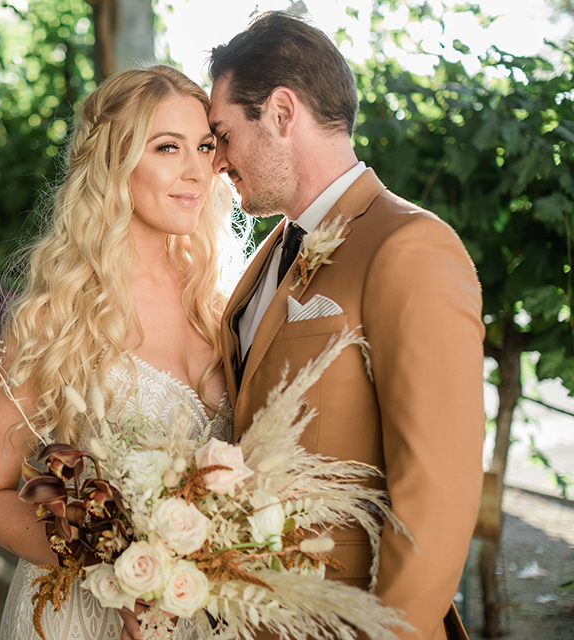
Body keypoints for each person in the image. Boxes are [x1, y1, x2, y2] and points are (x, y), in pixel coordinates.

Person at [207, 11, 485, 640]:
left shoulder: (410, 247)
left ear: (281, 112)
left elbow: (436, 494)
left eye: (223, 134)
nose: (217, 159)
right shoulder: (272, 249)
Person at [0, 65, 238, 640]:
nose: (197, 170)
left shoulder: (224, 309)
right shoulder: (55, 318)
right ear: (115, 163)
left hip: (203, 617)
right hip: (80, 618)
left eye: (206, 147)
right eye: (168, 147)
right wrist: (113, 571)